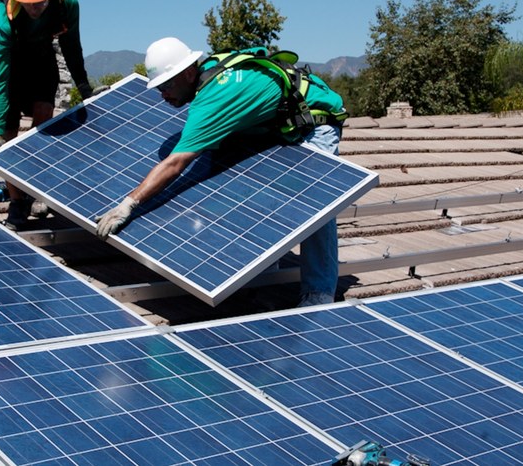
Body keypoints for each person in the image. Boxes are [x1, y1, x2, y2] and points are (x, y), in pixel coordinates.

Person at [94, 37, 348, 307]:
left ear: (189, 72)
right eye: (159, 87)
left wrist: (128, 205)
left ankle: (318, 292)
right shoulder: (210, 75)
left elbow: (175, 163)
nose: (163, 95)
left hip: (315, 122)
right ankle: (263, 267)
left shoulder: (215, 99)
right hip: (272, 125)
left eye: (167, 84)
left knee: (312, 200)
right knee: (233, 170)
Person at [0, 0, 94, 229]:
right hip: (11, 71)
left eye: (41, 0)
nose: (36, 7)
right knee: (8, 136)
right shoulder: (2, 18)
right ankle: (18, 200)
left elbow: (71, 47)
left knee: (44, 126)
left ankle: (36, 189)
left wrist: (84, 87)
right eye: (29, 2)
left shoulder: (67, 5)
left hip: (43, 64)